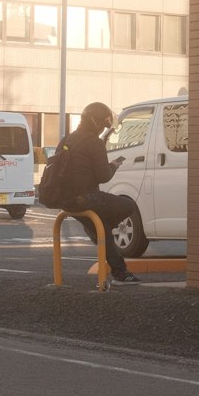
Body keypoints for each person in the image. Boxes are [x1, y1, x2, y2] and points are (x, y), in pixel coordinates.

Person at [61, 102, 139, 285]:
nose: (103, 129)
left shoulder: (67, 140)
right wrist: (113, 166)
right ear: (96, 122)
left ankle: (120, 273)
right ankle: (103, 229)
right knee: (129, 206)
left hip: (66, 200)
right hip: (87, 198)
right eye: (103, 126)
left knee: (102, 231)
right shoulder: (94, 142)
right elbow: (103, 176)